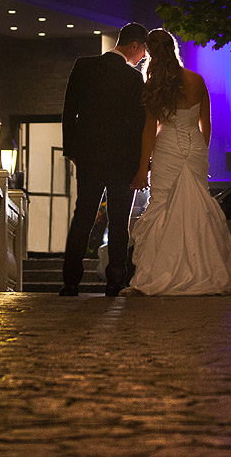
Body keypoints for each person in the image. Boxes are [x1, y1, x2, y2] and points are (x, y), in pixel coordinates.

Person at [124, 28, 231, 296]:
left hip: (167, 148)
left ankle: (158, 274)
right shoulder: (197, 80)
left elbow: (149, 131)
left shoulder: (154, 86)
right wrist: (199, 153)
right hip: (195, 149)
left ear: (151, 53)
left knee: (164, 207)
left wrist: (143, 168)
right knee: (197, 206)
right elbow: (207, 126)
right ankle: (205, 271)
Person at [59, 22, 149, 296]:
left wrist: (71, 149)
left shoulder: (84, 66)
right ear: (134, 46)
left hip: (90, 157)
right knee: (119, 222)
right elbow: (138, 125)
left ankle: (71, 280)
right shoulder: (134, 79)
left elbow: (69, 110)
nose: (143, 57)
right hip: (123, 161)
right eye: (143, 51)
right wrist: (141, 165)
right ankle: (115, 280)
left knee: (82, 217)